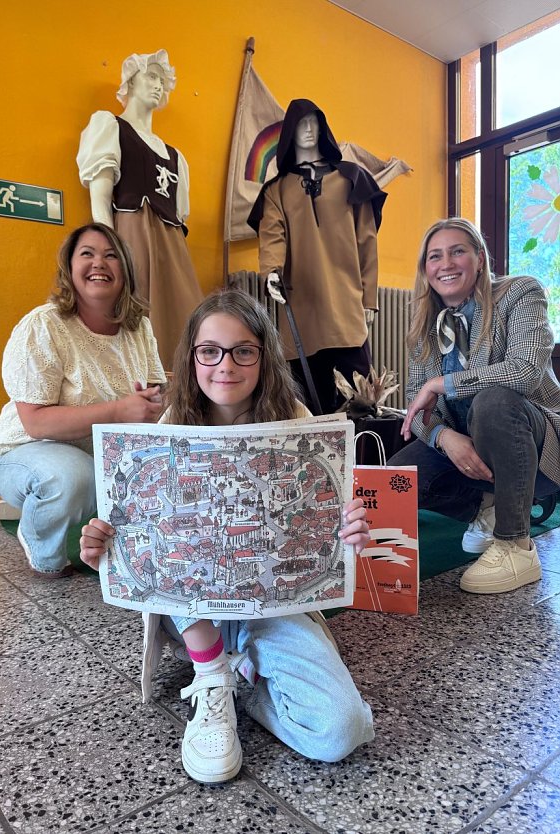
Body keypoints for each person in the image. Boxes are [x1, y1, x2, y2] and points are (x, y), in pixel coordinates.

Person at [80, 289, 374, 784]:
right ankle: (213, 675)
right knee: (180, 536)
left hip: (275, 604)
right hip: (196, 611)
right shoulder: (169, 426)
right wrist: (107, 546)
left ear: (263, 357)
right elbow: (140, 530)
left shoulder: (297, 423)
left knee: (339, 732)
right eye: (209, 350)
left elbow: (326, 514)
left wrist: (346, 530)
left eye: (243, 350)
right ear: (192, 357)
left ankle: (246, 684)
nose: (225, 365)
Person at [390, 217, 560, 594]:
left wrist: (443, 382)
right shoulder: (425, 325)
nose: (446, 264)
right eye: (435, 256)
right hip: (469, 445)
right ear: (426, 269)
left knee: (493, 402)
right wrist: (443, 437)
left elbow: (525, 371)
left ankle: (516, 544)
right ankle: (489, 501)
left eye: (457, 251)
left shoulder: (520, 293)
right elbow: (416, 405)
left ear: (479, 258)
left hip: (535, 444)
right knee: (396, 479)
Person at [0, 223, 166, 578]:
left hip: (103, 452)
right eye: (87, 253)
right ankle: (40, 545)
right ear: (69, 269)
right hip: (26, 451)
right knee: (75, 478)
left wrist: (154, 402)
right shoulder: (44, 325)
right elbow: (35, 422)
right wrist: (119, 410)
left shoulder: (139, 328)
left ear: (125, 271)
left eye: (111, 255)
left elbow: (154, 390)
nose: (99, 262)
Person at [247, 98, 387, 413]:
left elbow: (367, 240)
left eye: (314, 123)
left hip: (346, 306)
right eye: (301, 124)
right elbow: (273, 234)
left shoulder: (352, 178)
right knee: (308, 404)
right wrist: (271, 272)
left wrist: (369, 298)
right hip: (301, 308)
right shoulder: (276, 190)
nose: (309, 130)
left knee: (363, 402)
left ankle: (362, 459)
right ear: (290, 134)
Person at [77, 49, 203, 368]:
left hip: (171, 246)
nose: (158, 85)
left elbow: (180, 213)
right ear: (130, 81)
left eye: (163, 80)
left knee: (185, 320)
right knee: (135, 320)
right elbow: (100, 200)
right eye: (151, 76)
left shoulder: (176, 156)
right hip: (132, 234)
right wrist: (108, 253)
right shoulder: (110, 126)